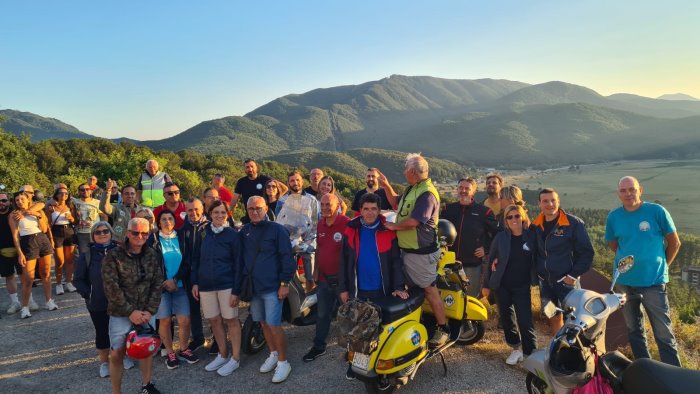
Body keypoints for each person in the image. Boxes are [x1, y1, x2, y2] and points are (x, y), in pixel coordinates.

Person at [605, 176, 682, 366]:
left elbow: (674, 242)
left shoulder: (656, 211)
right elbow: (615, 245)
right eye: (623, 191)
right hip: (624, 281)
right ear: (618, 194)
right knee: (634, 329)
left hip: (653, 282)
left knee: (663, 333)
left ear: (641, 190)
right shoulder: (614, 217)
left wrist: (663, 266)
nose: (628, 194)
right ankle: (646, 371)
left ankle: (674, 376)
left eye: (632, 189)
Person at [379, 153, 449, 347]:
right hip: (409, 251)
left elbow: (415, 221)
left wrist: (392, 227)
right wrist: (385, 185)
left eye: (405, 168)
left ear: (411, 171)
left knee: (429, 290)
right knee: (410, 290)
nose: (403, 172)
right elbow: (395, 203)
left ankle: (444, 329)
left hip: (421, 253)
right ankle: (414, 324)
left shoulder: (427, 193)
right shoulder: (413, 188)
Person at [233, 196, 294, 383]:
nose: (254, 211)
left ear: (266, 208)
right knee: (263, 323)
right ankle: (273, 354)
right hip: (255, 288)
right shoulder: (245, 231)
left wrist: (284, 284)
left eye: (258, 208)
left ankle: (284, 362)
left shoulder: (278, 230)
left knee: (274, 325)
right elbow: (241, 259)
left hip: (272, 288)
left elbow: (287, 258)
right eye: (250, 209)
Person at [102, 217, 163, 394]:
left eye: (144, 233)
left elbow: (157, 283)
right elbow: (110, 286)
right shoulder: (113, 256)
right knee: (117, 354)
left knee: (146, 349)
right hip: (121, 313)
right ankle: (116, 391)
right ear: (128, 233)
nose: (140, 236)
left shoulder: (151, 254)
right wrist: (130, 311)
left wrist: (150, 310)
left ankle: (146, 385)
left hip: (145, 312)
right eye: (135, 232)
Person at [72, 221, 132, 377]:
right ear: (93, 236)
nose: (102, 234)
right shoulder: (87, 255)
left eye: (105, 231)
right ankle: (104, 363)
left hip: (121, 302)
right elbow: (78, 280)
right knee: (102, 333)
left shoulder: (121, 252)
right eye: (98, 232)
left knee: (123, 332)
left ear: (111, 233)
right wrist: (89, 294)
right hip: (97, 303)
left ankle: (123, 356)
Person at [532, 188, 594, 335]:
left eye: (553, 200)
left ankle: (576, 353)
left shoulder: (573, 223)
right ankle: (559, 349)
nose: (550, 204)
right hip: (545, 282)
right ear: (539, 203)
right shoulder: (536, 225)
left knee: (573, 319)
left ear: (558, 201)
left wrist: (572, 276)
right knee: (552, 316)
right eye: (545, 201)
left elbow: (587, 253)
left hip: (566, 282)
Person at [191, 200, 243, 376]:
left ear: (227, 214)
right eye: (216, 212)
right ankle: (222, 354)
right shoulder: (203, 232)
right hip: (206, 285)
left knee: (231, 320)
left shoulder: (233, 235)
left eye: (223, 212)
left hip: (227, 284)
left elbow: (238, 264)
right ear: (209, 213)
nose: (219, 216)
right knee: (214, 320)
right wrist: (195, 282)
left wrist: (236, 290)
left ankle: (235, 358)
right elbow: (196, 258)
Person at [482, 205, 537, 365]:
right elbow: (490, 259)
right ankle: (516, 349)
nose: (514, 220)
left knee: (525, 321)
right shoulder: (500, 238)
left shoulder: (531, 236)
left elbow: (541, 254)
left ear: (523, 217)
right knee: (507, 319)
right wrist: (486, 284)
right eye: (509, 217)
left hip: (522, 286)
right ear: (505, 221)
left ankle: (530, 353)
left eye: (517, 216)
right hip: (501, 285)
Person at [302, 193, 350, 362]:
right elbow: (320, 249)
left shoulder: (346, 223)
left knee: (348, 315)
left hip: (343, 280)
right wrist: (316, 270)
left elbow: (352, 252)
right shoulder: (321, 224)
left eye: (328, 204)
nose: (324, 208)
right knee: (322, 314)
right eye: (322, 205)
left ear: (337, 204)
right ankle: (319, 346)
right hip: (323, 279)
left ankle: (352, 349)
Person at [149, 210, 199, 370]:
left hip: (180, 285)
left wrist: (175, 279)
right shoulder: (153, 239)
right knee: (164, 320)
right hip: (161, 287)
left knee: (184, 320)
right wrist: (164, 281)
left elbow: (186, 262)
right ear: (158, 222)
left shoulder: (181, 238)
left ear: (174, 220)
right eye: (163, 219)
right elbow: (150, 264)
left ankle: (183, 348)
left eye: (170, 218)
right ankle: (170, 352)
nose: (167, 221)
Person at [338, 192, 408, 303]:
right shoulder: (351, 230)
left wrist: (399, 287)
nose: (370, 213)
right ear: (360, 210)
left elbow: (396, 261)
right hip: (357, 291)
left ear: (379, 210)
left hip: (382, 291)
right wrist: (343, 289)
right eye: (366, 209)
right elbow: (343, 261)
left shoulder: (388, 231)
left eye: (373, 209)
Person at [441, 177, 498, 297]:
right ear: (457, 189)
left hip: (472, 264)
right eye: (461, 187)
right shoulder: (448, 209)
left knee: (470, 297)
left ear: (473, 192)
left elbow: (497, 234)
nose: (463, 191)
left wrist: (486, 248)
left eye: (467, 188)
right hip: (449, 263)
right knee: (449, 297)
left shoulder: (484, 212)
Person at [9, 191, 57, 318]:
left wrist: (35, 214)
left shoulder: (37, 210)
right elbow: (15, 236)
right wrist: (20, 253)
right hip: (27, 242)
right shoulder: (14, 215)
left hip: (42, 239)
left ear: (28, 199)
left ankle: (49, 301)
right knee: (28, 278)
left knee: (46, 273)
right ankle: (25, 307)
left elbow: (44, 229)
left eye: (22, 199)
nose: (20, 201)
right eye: (17, 200)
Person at [275, 170, 320, 292]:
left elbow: (316, 221)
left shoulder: (312, 200)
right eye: (292, 181)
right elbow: (278, 223)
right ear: (288, 183)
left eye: (298, 180)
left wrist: (310, 240)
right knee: (291, 273)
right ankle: (297, 297)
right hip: (289, 241)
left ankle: (310, 296)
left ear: (302, 181)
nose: (295, 183)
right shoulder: (282, 201)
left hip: (308, 241)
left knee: (310, 275)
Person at [181, 198, 209, 352]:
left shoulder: (210, 227)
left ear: (202, 209)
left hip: (207, 275)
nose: (193, 213)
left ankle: (218, 341)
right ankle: (198, 337)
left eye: (196, 209)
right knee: (193, 309)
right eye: (190, 210)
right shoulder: (182, 229)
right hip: (189, 275)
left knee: (213, 310)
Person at [45, 185, 77, 295]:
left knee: (70, 260)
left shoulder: (70, 206)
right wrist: (50, 238)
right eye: (61, 193)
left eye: (66, 193)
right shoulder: (50, 207)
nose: (64, 195)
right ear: (56, 195)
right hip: (57, 232)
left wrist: (71, 218)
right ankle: (59, 284)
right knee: (59, 261)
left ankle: (68, 282)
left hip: (69, 231)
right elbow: (48, 224)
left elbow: (74, 221)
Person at [0, 191, 22, 315]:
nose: (1, 203)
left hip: (21, 249)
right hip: (3, 252)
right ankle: (15, 302)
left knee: (24, 276)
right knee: (9, 276)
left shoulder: (15, 213)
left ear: (9, 201)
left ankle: (28, 301)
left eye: (4, 200)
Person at [231, 159, 271, 223]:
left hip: (265, 216)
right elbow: (235, 199)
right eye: (247, 167)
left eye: (252, 166)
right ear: (244, 169)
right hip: (249, 216)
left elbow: (280, 189)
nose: (250, 169)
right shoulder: (241, 182)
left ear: (256, 167)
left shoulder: (265, 180)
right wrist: (227, 212)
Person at [72, 183, 105, 255]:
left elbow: (104, 216)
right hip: (82, 234)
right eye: (82, 190)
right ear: (79, 192)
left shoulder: (97, 202)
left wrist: (103, 229)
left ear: (91, 191)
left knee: (98, 255)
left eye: (87, 189)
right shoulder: (75, 202)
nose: (85, 191)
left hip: (96, 233)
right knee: (84, 256)